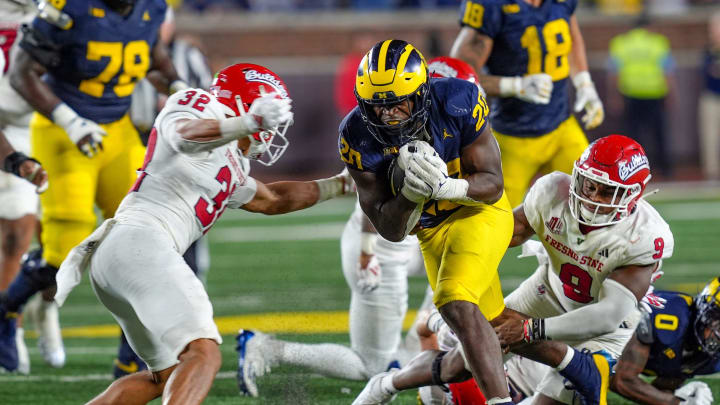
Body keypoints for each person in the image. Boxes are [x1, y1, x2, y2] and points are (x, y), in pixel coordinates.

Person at [52, 62, 352, 405]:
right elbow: (184, 136)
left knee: (163, 376)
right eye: (269, 118)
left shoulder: (234, 164)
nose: (271, 133)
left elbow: (273, 199)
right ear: (247, 104)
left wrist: (341, 184)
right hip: (140, 243)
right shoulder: (198, 102)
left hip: (122, 255)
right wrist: (247, 123)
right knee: (204, 354)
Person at [353, 135, 674, 405]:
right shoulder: (554, 193)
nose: (591, 197)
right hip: (548, 292)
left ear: (633, 196)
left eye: (606, 191)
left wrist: (530, 330)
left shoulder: (645, 237)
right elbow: (503, 233)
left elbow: (606, 315)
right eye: (589, 184)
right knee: (466, 358)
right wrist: (443, 231)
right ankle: (387, 385)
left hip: (604, 330)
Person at [233, 55, 481, 398]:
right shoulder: (398, 124)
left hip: (418, 239)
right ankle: (268, 349)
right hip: (382, 245)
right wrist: (368, 250)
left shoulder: (449, 118)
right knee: (374, 364)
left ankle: (429, 364)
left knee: (440, 313)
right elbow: (378, 203)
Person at [0, 0, 187, 373]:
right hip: (61, 128)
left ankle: (131, 359)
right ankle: (7, 307)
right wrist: (69, 121)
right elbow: (22, 74)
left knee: (145, 237)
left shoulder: (150, 8)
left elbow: (155, 57)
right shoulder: (66, 7)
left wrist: (180, 89)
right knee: (65, 247)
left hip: (116, 130)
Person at [342, 38, 515, 405]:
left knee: (454, 303)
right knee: (493, 326)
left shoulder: (456, 101)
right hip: (430, 230)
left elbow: (493, 184)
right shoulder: (356, 135)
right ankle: (576, 365)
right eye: (377, 106)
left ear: (421, 94)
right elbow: (390, 229)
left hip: (477, 211)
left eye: (397, 104)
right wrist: (412, 195)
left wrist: (446, 186)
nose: (387, 115)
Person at [450, 0, 604, 208]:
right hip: (513, 137)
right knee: (492, 222)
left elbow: (571, 34)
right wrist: (514, 86)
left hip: (561, 126)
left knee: (596, 200)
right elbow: (459, 77)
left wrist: (585, 84)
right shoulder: (491, 5)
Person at [611, 278, 719, 405]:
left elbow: (659, 389)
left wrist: (680, 396)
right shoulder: (669, 315)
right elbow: (621, 380)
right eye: (717, 319)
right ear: (704, 311)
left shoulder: (710, 355)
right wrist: (677, 402)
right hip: (590, 345)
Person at [608, 14, 676, 178]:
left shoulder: (620, 43)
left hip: (630, 94)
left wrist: (614, 96)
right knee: (659, 134)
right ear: (649, 27)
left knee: (632, 135)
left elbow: (613, 73)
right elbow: (667, 71)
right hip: (655, 93)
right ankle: (665, 170)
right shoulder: (658, 43)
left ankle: (632, 170)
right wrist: (671, 93)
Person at [699, 11, 720, 181]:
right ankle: (712, 172)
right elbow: (709, 72)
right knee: (710, 137)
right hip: (712, 97)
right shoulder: (708, 50)